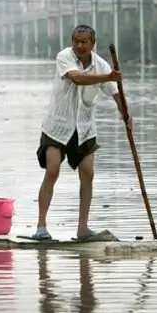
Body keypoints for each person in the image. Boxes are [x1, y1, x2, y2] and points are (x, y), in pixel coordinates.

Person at [33, 24, 132, 241]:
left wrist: (125, 113)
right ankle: (41, 226)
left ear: (92, 44)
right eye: (76, 41)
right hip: (58, 126)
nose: (79, 46)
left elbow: (115, 94)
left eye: (84, 42)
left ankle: (83, 229)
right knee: (52, 171)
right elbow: (77, 78)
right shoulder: (64, 57)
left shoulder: (101, 64)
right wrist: (107, 77)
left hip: (84, 128)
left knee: (88, 174)